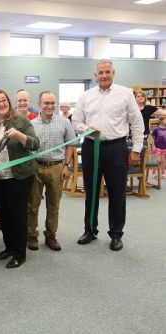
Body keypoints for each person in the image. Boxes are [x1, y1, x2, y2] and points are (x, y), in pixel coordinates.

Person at [72, 59, 144, 251]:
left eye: (107, 72)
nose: (104, 75)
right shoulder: (85, 96)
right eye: (100, 73)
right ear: (95, 75)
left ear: (114, 72)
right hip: (91, 147)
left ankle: (116, 234)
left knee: (117, 193)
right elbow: (76, 122)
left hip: (116, 148)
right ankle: (90, 230)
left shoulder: (126, 93)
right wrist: (87, 128)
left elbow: (136, 122)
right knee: (91, 191)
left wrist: (136, 149)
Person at [0, 89, 39, 268]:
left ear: (8, 101)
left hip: (18, 176)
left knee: (17, 215)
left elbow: (35, 144)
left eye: (3, 100)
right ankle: (9, 247)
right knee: (3, 215)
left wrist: (19, 135)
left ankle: (19, 253)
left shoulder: (20, 120)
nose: (0, 104)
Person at [27, 91, 75, 251]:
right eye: (46, 103)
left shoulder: (64, 122)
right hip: (36, 168)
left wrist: (66, 165)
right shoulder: (31, 124)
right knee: (33, 204)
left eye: (52, 103)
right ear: (39, 104)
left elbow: (70, 144)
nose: (50, 106)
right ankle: (32, 235)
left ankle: (51, 236)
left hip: (57, 167)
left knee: (53, 205)